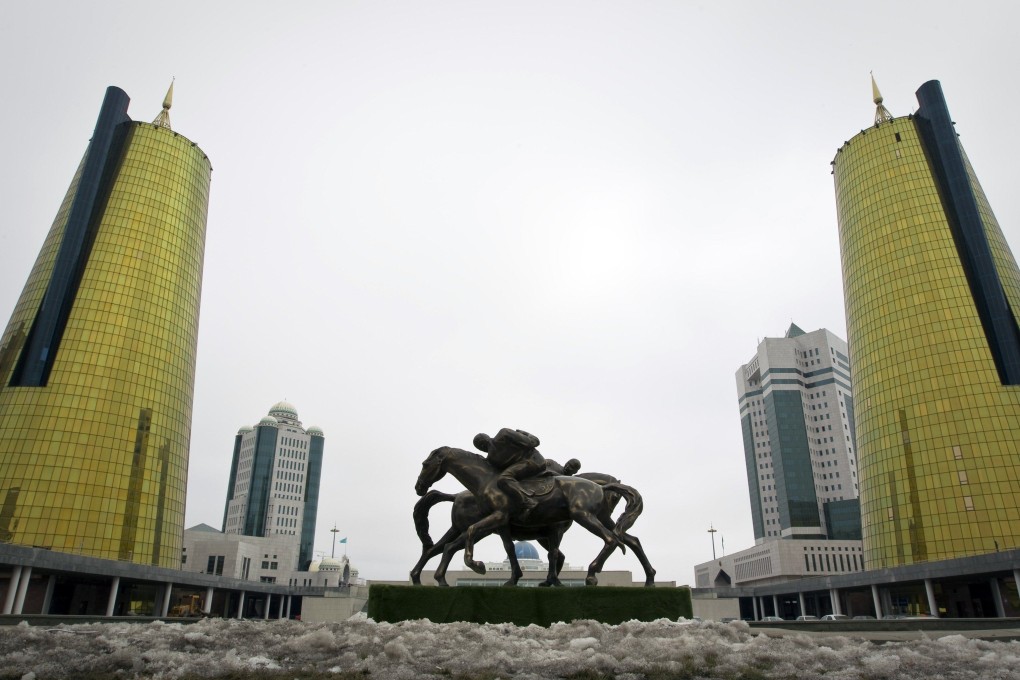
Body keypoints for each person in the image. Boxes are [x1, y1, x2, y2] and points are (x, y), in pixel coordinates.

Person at [473, 428, 546, 518]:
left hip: (534, 461)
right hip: (524, 469)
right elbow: (533, 442)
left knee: (504, 478)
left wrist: (524, 434)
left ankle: (528, 501)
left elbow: (533, 442)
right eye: (480, 446)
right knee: (504, 479)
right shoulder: (491, 459)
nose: (482, 447)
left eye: (480, 445)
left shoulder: (504, 434)